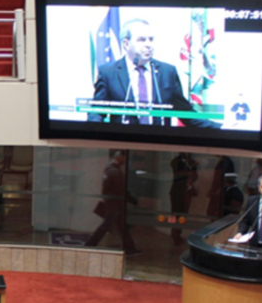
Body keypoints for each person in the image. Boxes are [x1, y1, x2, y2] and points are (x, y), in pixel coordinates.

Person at [87, 18, 220, 128]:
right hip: (122, 144)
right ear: (126, 44)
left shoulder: (168, 72)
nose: (148, 44)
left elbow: (186, 114)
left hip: (160, 145)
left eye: (151, 39)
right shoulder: (108, 72)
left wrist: (222, 128)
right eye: (142, 40)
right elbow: (97, 113)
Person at [85, 150, 138, 254]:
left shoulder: (109, 169)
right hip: (115, 204)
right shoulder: (115, 171)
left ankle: (130, 248)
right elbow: (120, 189)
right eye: (124, 158)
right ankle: (89, 245)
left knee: (122, 227)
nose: (125, 160)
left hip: (113, 203)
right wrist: (131, 199)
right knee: (107, 226)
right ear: (120, 157)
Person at [169, 152, 199, 245]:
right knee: (175, 213)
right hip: (178, 191)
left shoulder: (190, 162)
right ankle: (175, 235)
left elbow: (194, 176)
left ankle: (177, 234)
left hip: (185, 191)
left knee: (183, 214)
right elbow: (178, 173)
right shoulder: (175, 162)